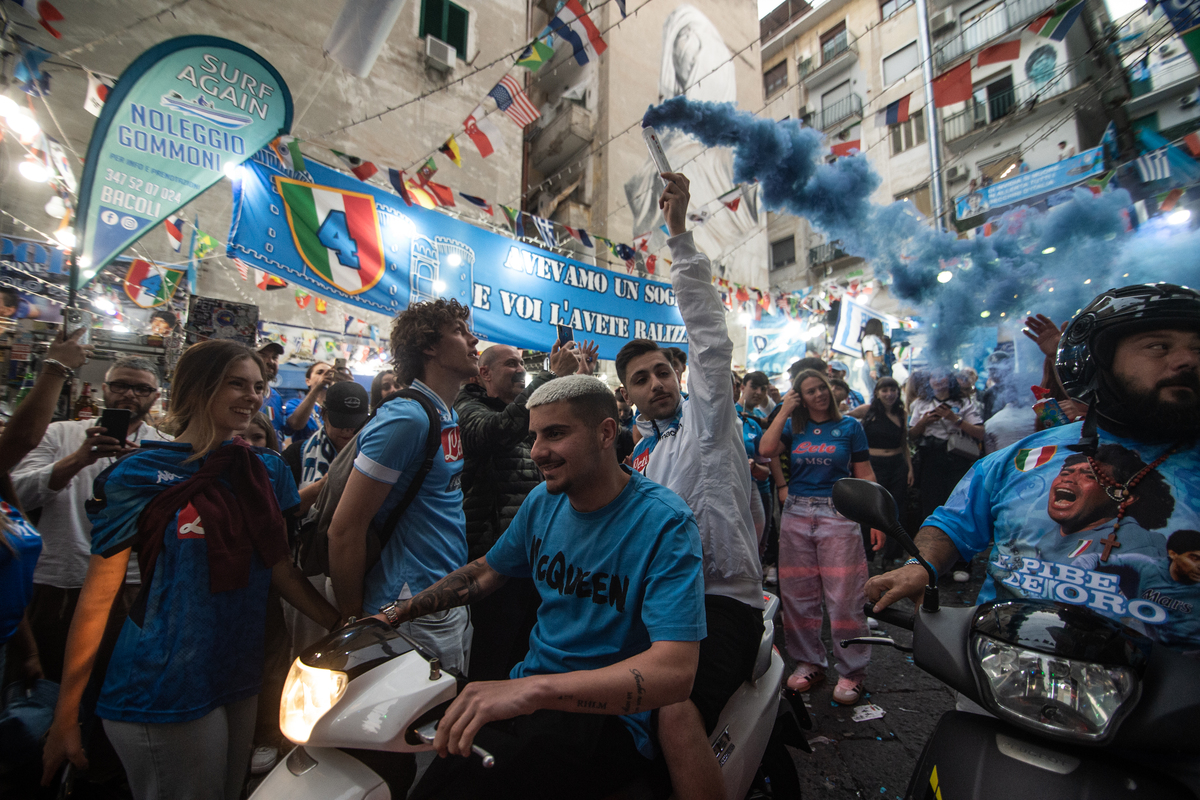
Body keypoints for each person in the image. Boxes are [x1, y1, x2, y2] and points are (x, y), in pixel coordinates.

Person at [41, 339, 340, 800]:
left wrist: (345, 624)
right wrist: (65, 715)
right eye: (236, 384)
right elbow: (99, 596)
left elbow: (280, 569)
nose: (253, 397)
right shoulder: (137, 474)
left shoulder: (265, 471)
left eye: (258, 386)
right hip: (158, 679)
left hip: (237, 670)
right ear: (197, 388)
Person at [392, 376, 706, 800]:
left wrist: (531, 691)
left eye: (555, 434)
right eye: (534, 435)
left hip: (602, 720)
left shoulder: (665, 523)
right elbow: (487, 571)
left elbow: (675, 671)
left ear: (606, 433)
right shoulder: (544, 500)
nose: (538, 451)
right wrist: (395, 614)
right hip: (528, 699)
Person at [867, 283, 1200, 666]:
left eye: (1198, 348)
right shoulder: (1025, 456)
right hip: (1001, 672)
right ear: (1101, 360)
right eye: (1159, 346)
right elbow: (953, 524)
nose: (1186, 361)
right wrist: (919, 565)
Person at [617, 172, 763, 800]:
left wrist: (678, 236)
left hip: (725, 602)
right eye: (641, 380)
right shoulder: (641, 455)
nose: (656, 383)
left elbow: (708, 335)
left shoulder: (708, 417)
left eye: (661, 371)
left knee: (676, 711)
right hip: (664, 608)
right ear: (627, 398)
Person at [327, 299, 477, 677]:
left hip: (444, 598)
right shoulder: (406, 418)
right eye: (459, 331)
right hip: (404, 607)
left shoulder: (448, 413)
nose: (474, 340)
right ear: (428, 346)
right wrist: (356, 622)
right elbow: (345, 529)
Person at [13, 358, 171, 686]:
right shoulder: (60, 434)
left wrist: (144, 473)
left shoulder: (163, 448)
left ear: (155, 397)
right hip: (60, 579)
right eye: (121, 385)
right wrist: (79, 459)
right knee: (48, 682)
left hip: (129, 582)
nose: (130, 394)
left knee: (115, 682)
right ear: (104, 390)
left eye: (141, 388)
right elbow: (18, 495)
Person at [453, 340, 582, 681]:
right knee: (491, 658)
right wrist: (551, 374)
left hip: (532, 559)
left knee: (526, 652)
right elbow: (495, 432)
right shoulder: (467, 408)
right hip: (492, 559)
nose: (521, 370)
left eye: (523, 363)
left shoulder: (521, 414)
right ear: (484, 373)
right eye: (511, 364)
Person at [760, 369, 882, 705]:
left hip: (839, 513)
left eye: (821, 389)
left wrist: (876, 518)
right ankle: (810, 662)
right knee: (799, 595)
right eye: (810, 391)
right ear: (800, 396)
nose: (818, 395)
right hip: (796, 513)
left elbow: (864, 473)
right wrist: (785, 409)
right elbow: (766, 448)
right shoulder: (793, 426)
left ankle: (852, 671)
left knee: (845, 596)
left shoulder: (850, 428)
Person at [0, 329, 91, 690]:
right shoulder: (58, 434)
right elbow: (23, 439)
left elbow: (9, 573)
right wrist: (55, 369)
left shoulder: (4, 489)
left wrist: (28, 650)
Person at [907, 369, 983, 582]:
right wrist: (925, 422)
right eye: (934, 376)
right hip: (930, 459)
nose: (938, 380)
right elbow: (911, 435)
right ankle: (931, 564)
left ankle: (962, 563)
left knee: (959, 511)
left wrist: (954, 418)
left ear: (949, 381)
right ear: (929, 381)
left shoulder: (965, 402)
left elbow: (980, 432)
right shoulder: (920, 404)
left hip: (957, 459)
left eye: (943, 376)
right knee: (930, 510)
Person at [849, 376, 912, 565]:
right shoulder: (866, 411)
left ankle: (891, 555)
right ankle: (866, 553)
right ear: (877, 393)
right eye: (884, 390)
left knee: (895, 508)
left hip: (897, 464)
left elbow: (905, 443)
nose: (889, 394)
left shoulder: (902, 413)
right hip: (872, 464)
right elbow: (842, 420)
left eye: (893, 390)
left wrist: (909, 468)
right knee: (870, 508)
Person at [284, 361, 336, 445]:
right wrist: (317, 388)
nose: (325, 376)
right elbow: (295, 425)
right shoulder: (295, 404)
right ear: (308, 381)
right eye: (320, 372)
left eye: (330, 374)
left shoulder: (337, 407)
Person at [256, 340, 289, 445]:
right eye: (262, 356)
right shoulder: (242, 395)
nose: (270, 361)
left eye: (274, 357)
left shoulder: (276, 397)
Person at [859, 318, 892, 395]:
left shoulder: (878, 339)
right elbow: (869, 354)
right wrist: (872, 369)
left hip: (879, 366)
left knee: (880, 392)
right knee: (874, 393)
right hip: (872, 365)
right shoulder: (868, 338)